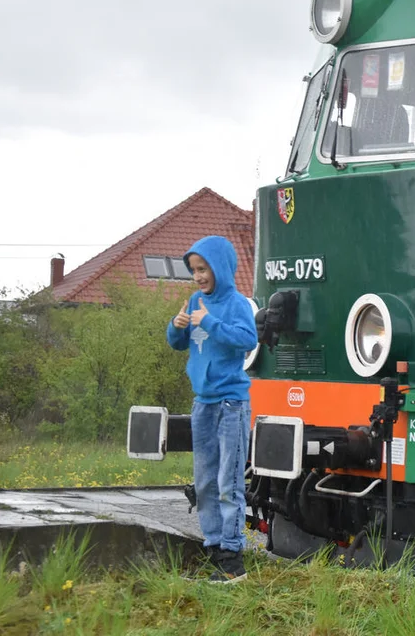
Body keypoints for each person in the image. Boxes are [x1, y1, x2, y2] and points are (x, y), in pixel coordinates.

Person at [167, 235, 258, 584]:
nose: (198, 277)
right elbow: (180, 344)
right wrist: (175, 329)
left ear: (219, 268)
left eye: (203, 269)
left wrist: (208, 322)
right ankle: (214, 547)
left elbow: (247, 340)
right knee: (204, 480)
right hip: (202, 404)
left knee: (227, 480)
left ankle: (233, 560)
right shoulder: (193, 300)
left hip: (231, 403)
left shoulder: (235, 303)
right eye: (194, 271)